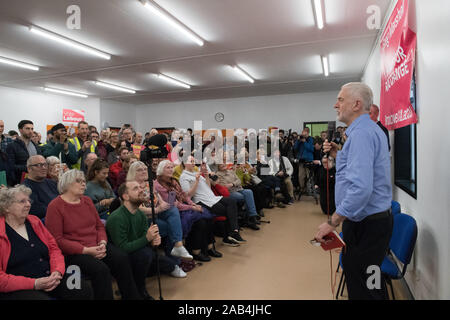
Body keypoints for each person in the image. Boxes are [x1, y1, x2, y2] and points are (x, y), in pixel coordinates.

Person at [314, 82, 393, 300]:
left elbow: (361, 188)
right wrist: (339, 156)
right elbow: (359, 173)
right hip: (370, 223)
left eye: (340, 99)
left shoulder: (361, 135)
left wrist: (332, 222)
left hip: (366, 226)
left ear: (356, 104)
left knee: (365, 288)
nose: (335, 104)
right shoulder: (366, 131)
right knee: (371, 283)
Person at [45, 170, 141, 300]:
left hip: (96, 245)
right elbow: (57, 240)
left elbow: (99, 226)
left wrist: (102, 242)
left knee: (121, 258)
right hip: (74, 252)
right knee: (101, 270)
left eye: (84, 181)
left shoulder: (87, 201)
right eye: (79, 181)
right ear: (66, 184)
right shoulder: (55, 206)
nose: (84, 184)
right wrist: (86, 250)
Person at [0, 185, 93, 300]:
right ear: (6, 207)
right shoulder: (2, 232)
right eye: (22, 201)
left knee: (82, 288)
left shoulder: (35, 221)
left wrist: (57, 272)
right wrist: (35, 283)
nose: (28, 204)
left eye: (29, 200)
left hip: (50, 276)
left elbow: (54, 249)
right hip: (21, 287)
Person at [107, 181, 186, 300]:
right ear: (125, 196)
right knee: (145, 255)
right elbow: (122, 248)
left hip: (139, 250)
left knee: (169, 265)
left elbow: (145, 237)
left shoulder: (140, 214)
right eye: (135, 188)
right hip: (123, 258)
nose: (141, 190)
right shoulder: (116, 217)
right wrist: (147, 239)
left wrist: (153, 240)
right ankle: (139, 289)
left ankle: (135, 281)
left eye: (140, 187)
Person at [154, 160, 221, 261]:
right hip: (172, 212)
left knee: (207, 216)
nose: (171, 169)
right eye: (167, 168)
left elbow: (184, 195)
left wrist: (192, 203)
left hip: (182, 206)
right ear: (160, 170)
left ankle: (209, 247)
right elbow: (174, 205)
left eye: (171, 167)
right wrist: (192, 207)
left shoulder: (173, 181)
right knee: (200, 221)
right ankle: (196, 251)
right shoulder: (159, 185)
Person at [126, 161, 193, 260]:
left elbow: (158, 197)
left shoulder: (149, 183)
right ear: (133, 172)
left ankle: (178, 247)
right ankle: (175, 261)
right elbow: (137, 208)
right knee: (170, 226)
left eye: (145, 169)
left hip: (156, 213)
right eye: (140, 170)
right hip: (143, 218)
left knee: (173, 210)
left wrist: (162, 204)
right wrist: (157, 209)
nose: (144, 171)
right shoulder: (130, 186)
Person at [179, 156, 244, 246]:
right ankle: (229, 236)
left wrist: (206, 176)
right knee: (226, 210)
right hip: (201, 201)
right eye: (191, 161)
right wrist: (197, 181)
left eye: (194, 161)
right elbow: (188, 196)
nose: (194, 163)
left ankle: (234, 232)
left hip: (211, 197)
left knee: (232, 201)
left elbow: (208, 188)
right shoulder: (183, 177)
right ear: (185, 163)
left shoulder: (196, 172)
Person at [215, 162, 260, 230]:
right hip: (230, 192)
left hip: (238, 189)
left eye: (224, 163)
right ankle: (248, 219)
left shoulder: (231, 171)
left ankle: (252, 217)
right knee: (242, 197)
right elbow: (224, 186)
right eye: (221, 164)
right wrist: (234, 184)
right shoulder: (218, 174)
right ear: (218, 167)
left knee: (249, 192)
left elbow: (238, 180)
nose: (223, 165)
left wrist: (233, 184)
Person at [22, 156, 59, 220]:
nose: (44, 168)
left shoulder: (51, 182)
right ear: (29, 169)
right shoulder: (25, 188)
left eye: (45, 165)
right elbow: (40, 211)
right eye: (39, 165)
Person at [6, 120, 41, 185]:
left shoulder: (35, 146)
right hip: (19, 182)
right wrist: (28, 167)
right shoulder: (12, 146)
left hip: (35, 180)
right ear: (20, 130)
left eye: (32, 129)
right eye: (27, 128)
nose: (30, 131)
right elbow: (10, 166)